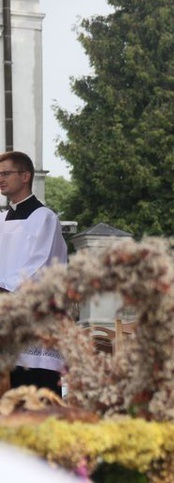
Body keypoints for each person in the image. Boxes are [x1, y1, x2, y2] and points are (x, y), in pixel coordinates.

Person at [0, 151, 68, 395]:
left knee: (37, 392)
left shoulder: (45, 218)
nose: (0, 179)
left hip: (34, 316)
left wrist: (5, 289)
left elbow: (40, 264)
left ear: (25, 175)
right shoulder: (1, 218)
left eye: (6, 173)